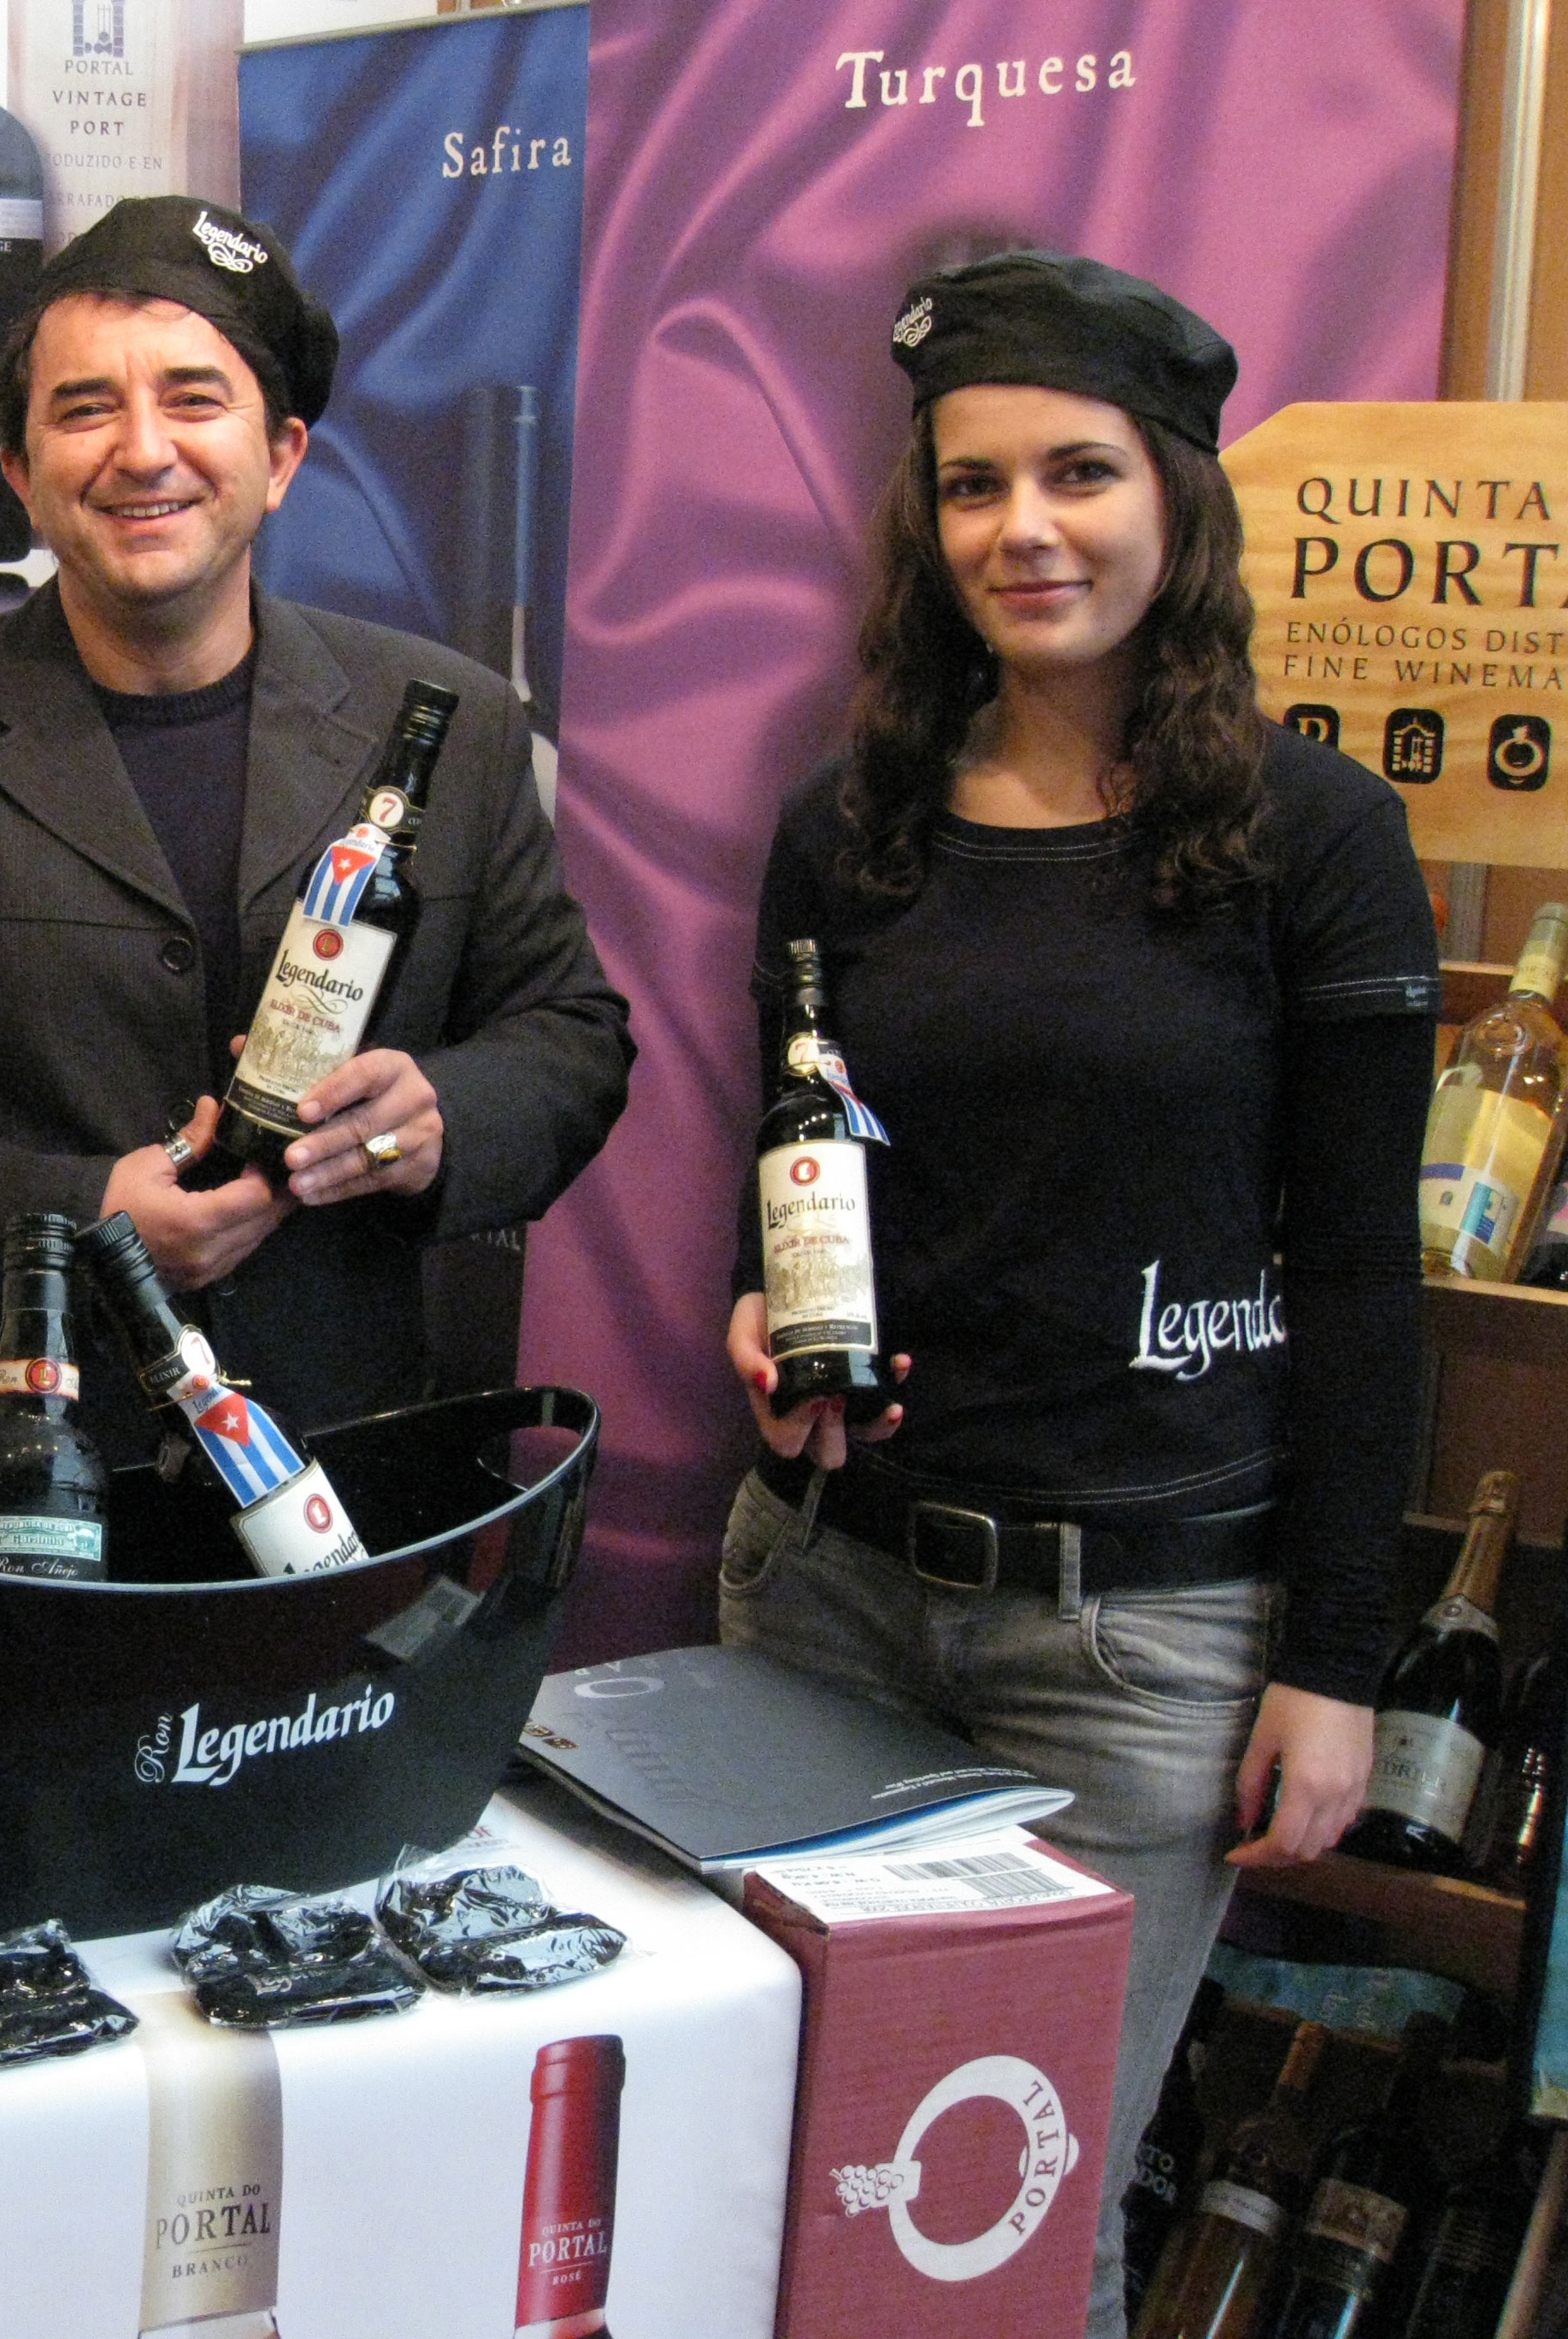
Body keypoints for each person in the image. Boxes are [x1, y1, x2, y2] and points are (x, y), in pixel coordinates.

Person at [718, 251, 1435, 2338]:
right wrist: (755, 1307)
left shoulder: (1318, 840)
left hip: (1138, 1651)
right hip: (827, 1596)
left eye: (1078, 473)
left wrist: (1340, 1662)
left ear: (1177, 499)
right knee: (786, 2182)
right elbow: (797, 1154)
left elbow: (1361, 1273)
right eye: (971, 486)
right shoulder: (844, 832)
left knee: (1007, 2232)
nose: (1021, 529)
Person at [0, 197, 631, 1478]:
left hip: (346, 1475)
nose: (142, 451)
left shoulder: (455, 725)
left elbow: (571, 1037)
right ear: (18, 472)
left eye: (194, 400)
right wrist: (79, 1218)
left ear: (282, 455)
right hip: (4, 1493)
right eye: (85, 409)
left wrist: (438, 1117)